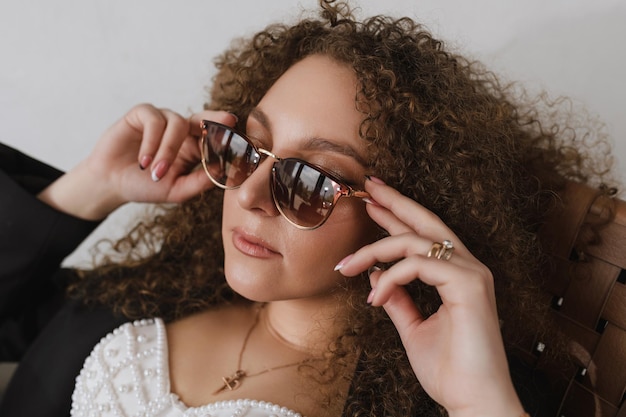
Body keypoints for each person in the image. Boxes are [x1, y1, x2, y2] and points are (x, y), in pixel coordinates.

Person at [0, 1, 616, 416]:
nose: (247, 195)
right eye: (247, 148)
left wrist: (480, 399)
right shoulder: (144, 293)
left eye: (311, 180)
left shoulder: (440, 392)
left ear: (404, 215)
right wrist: (87, 190)